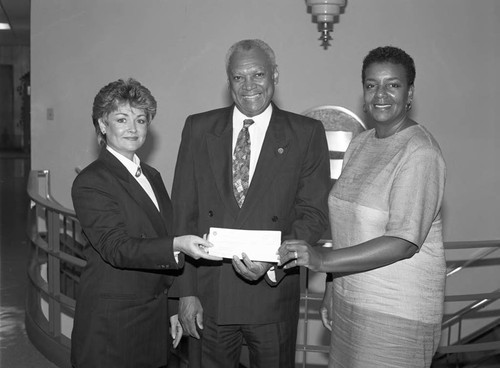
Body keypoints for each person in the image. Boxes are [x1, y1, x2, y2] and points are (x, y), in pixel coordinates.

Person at [278, 46, 446, 367]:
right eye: (371, 85)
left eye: (392, 85)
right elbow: (348, 227)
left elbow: (403, 242)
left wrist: (323, 260)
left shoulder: (420, 151)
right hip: (350, 303)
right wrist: (332, 284)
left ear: (409, 92)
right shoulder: (360, 143)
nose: (380, 94)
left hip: (397, 312)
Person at [171, 39, 331, 368]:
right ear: (228, 81)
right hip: (210, 295)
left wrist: (273, 259)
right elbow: (183, 214)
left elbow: (314, 214)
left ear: (274, 75)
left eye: (257, 74)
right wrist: (185, 293)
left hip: (273, 295)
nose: (249, 86)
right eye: (238, 78)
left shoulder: (306, 133)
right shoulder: (198, 128)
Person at [70, 78, 221, 368]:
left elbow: (163, 233)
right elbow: (118, 248)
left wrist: (173, 308)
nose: (133, 128)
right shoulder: (91, 181)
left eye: (141, 119)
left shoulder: (151, 175)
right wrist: (178, 245)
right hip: (111, 324)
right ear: (103, 124)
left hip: (151, 318)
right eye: (121, 119)